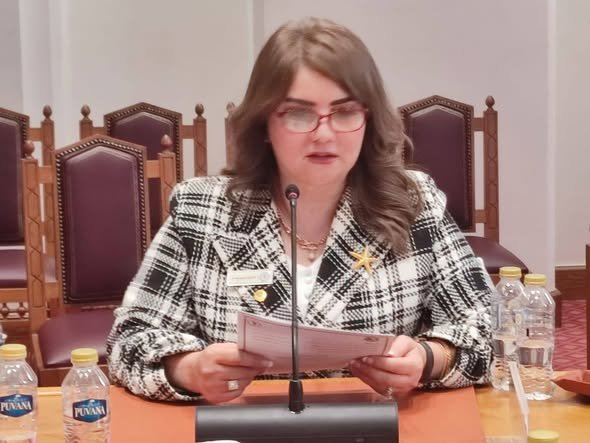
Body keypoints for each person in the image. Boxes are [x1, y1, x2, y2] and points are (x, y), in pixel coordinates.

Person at [107, 17, 493, 404]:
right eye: (299, 114)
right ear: (263, 123)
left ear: (368, 119)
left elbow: (484, 330)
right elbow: (129, 341)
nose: (324, 134)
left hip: (378, 424)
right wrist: (188, 369)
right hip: (246, 426)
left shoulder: (413, 202)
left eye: (345, 112)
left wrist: (429, 359)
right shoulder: (202, 209)